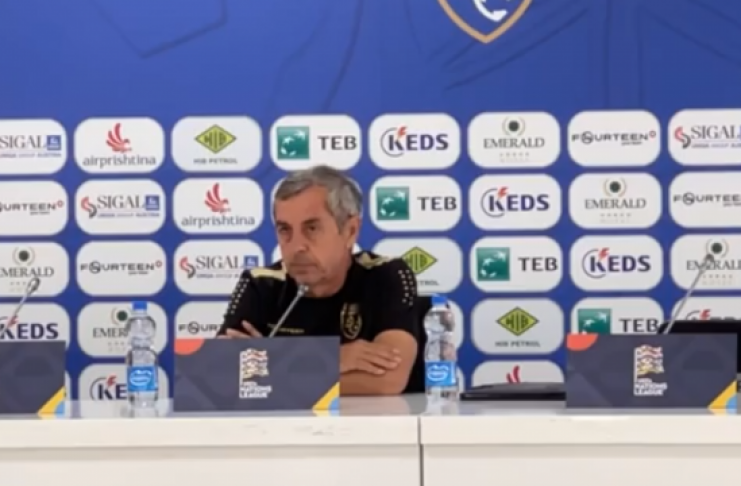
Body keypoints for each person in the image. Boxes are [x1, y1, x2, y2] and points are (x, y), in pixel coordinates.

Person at [217, 165, 420, 396]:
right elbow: (218, 373)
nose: (297, 246)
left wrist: (270, 369)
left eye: (312, 228)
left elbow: (388, 380)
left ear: (350, 231)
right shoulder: (260, 284)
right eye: (285, 230)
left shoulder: (385, 275)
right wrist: (329, 357)